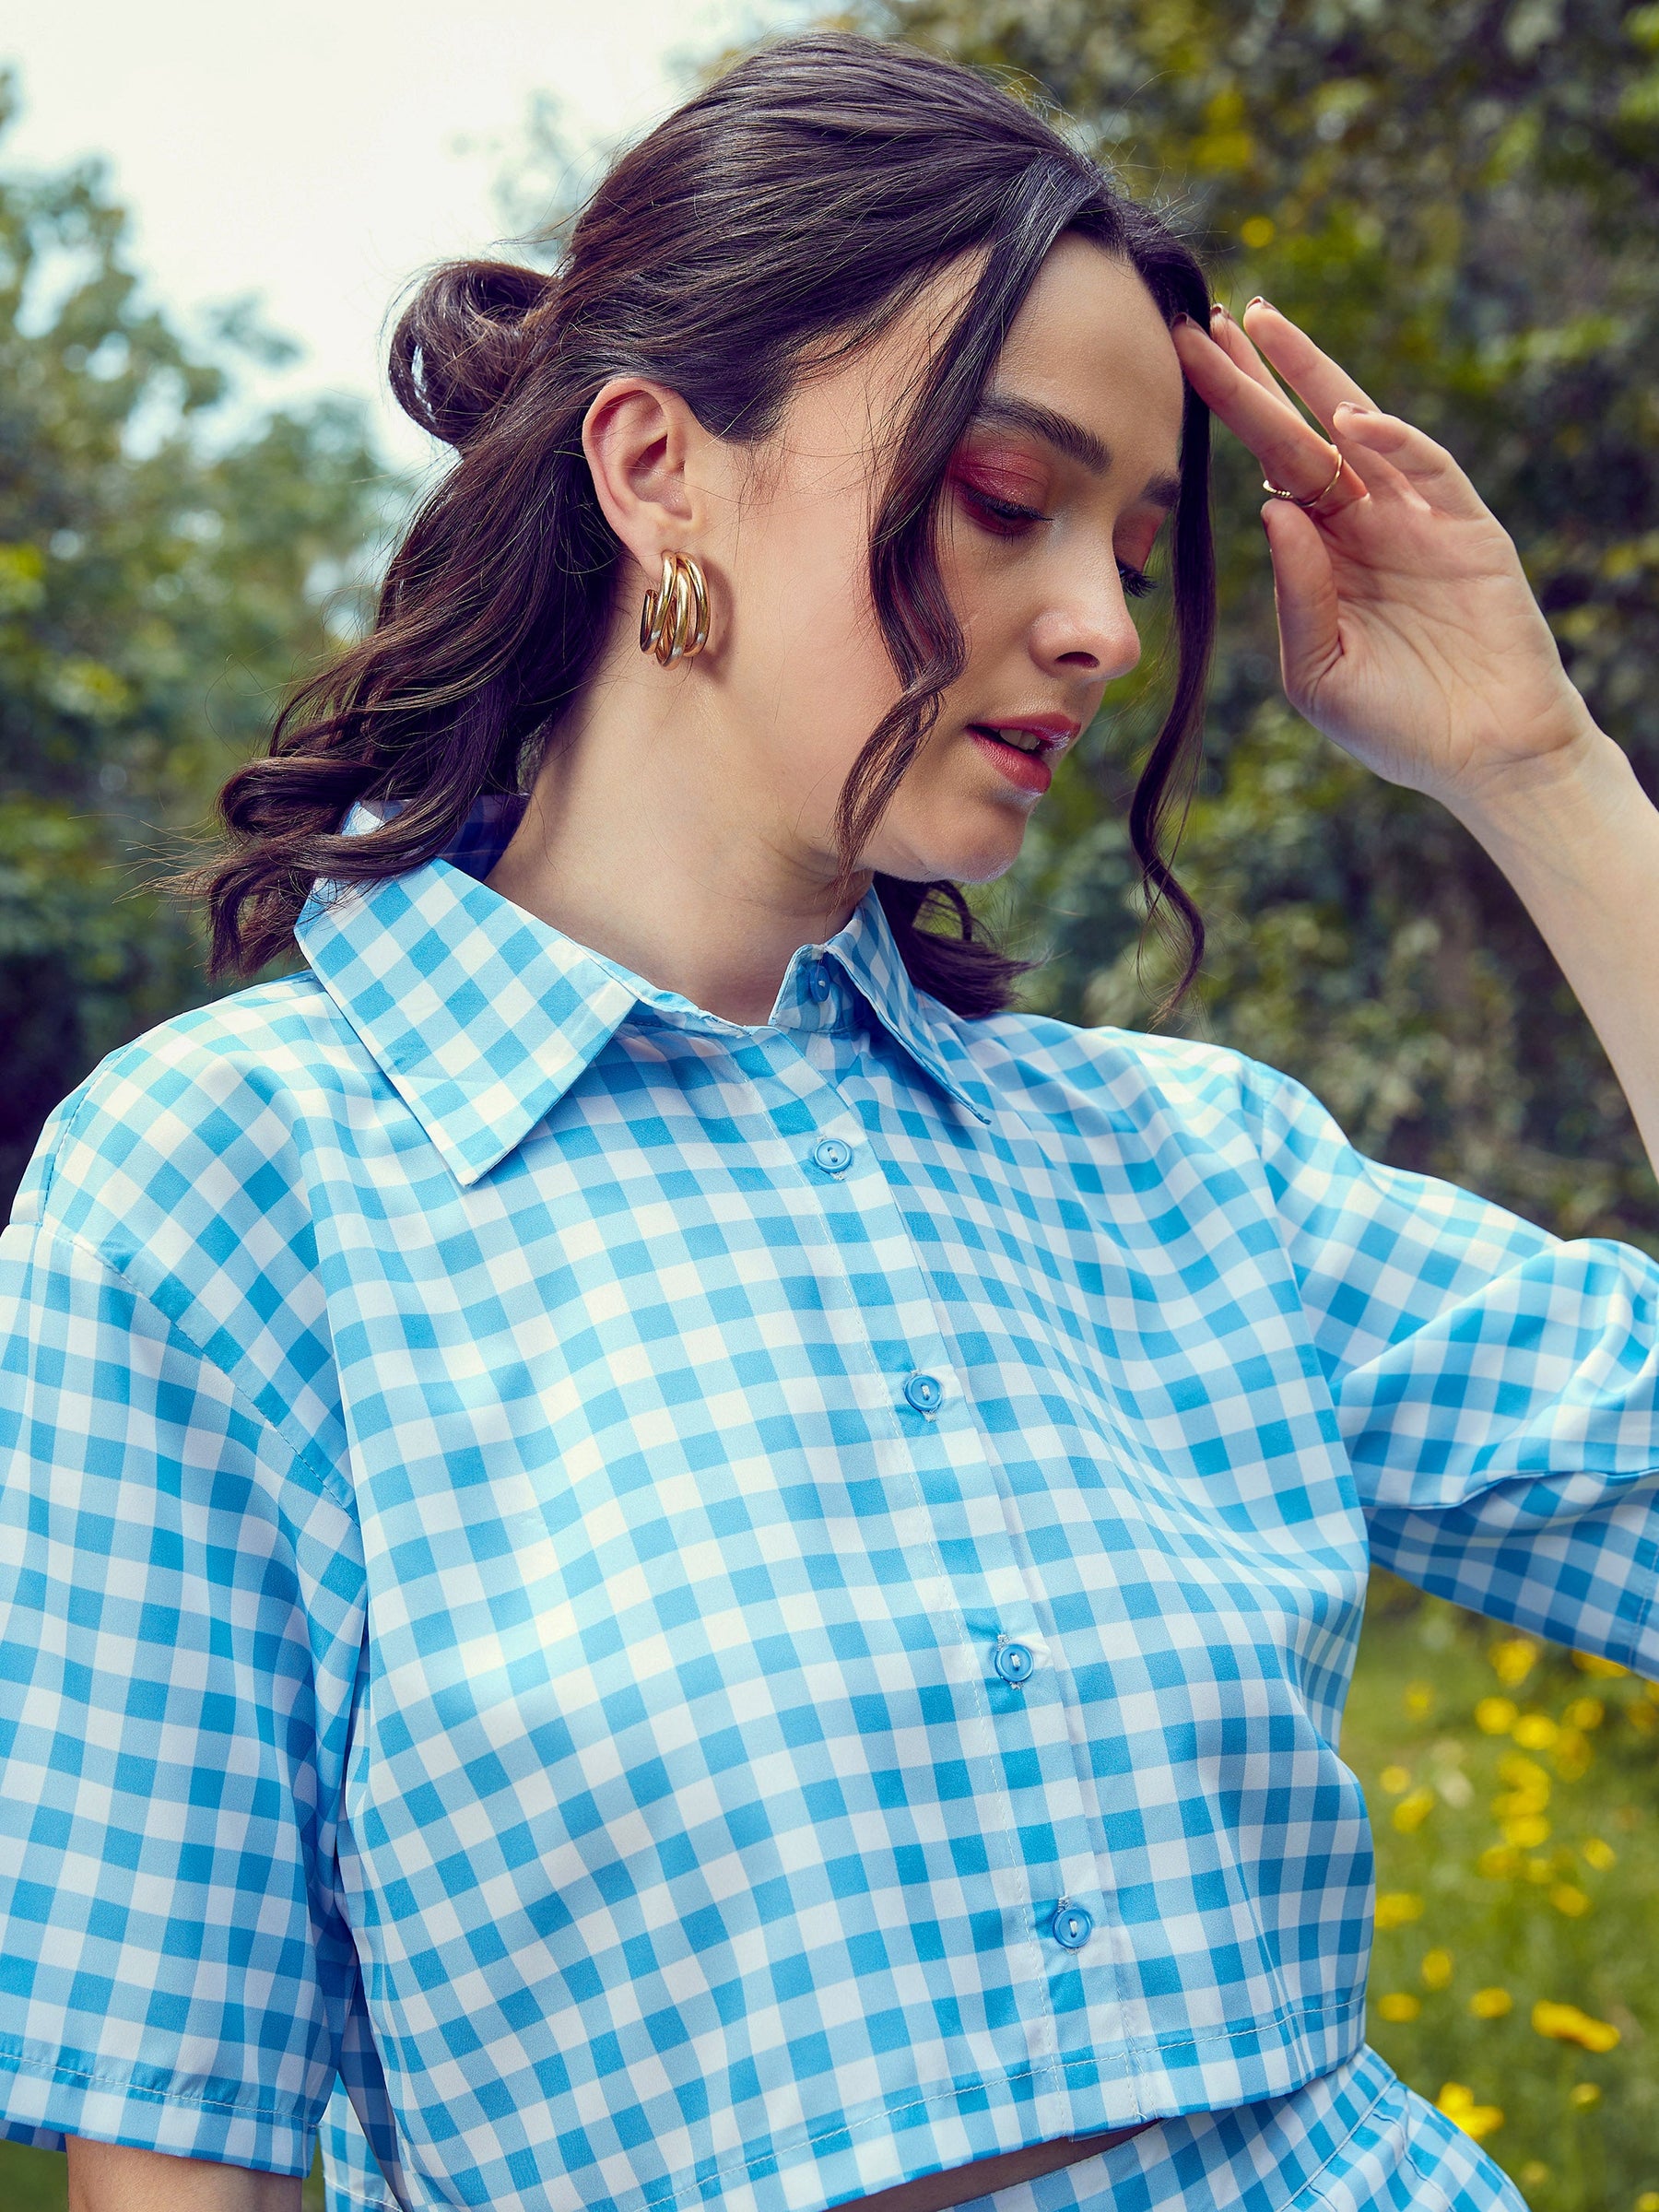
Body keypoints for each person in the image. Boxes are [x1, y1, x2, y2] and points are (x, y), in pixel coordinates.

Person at [2, 30, 1654, 2212]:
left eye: (1140, 553)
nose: (1092, 627)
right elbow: (178, 2147)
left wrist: (1541, 770)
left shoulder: (1185, 1171)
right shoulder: (223, 1197)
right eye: (1002, 500)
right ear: (655, 464)